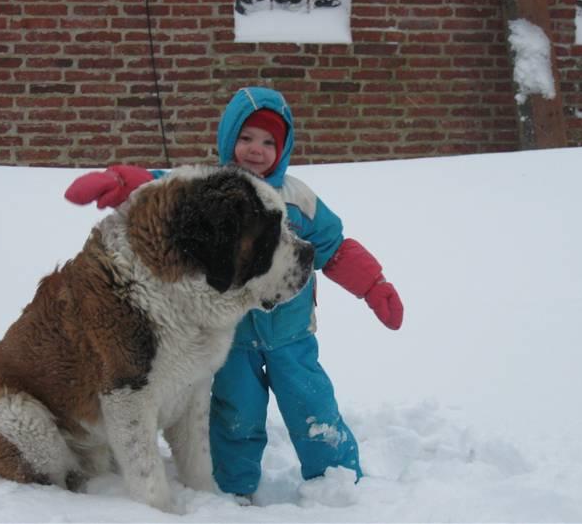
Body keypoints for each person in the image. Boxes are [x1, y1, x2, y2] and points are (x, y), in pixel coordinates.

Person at [65, 86, 404, 498]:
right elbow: (165, 189)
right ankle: (232, 485)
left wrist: (373, 285)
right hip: (232, 337)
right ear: (228, 139)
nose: (256, 151)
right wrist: (122, 180)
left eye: (268, 142)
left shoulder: (299, 200)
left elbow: (335, 248)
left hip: (291, 334)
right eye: (246, 138)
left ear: (284, 148)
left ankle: (338, 475)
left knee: (312, 403)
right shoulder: (212, 189)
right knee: (233, 413)